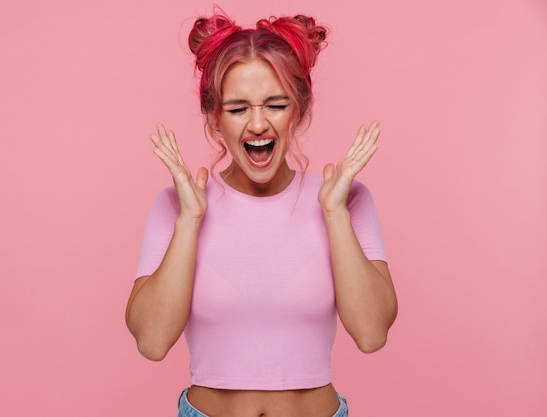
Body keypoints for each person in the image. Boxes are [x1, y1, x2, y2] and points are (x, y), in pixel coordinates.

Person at [126, 9, 398, 417]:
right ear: (215, 118)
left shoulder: (346, 200)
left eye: (275, 104)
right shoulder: (177, 206)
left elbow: (372, 333)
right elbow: (151, 341)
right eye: (237, 109)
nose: (257, 124)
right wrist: (190, 222)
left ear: (298, 109)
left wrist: (334, 212)